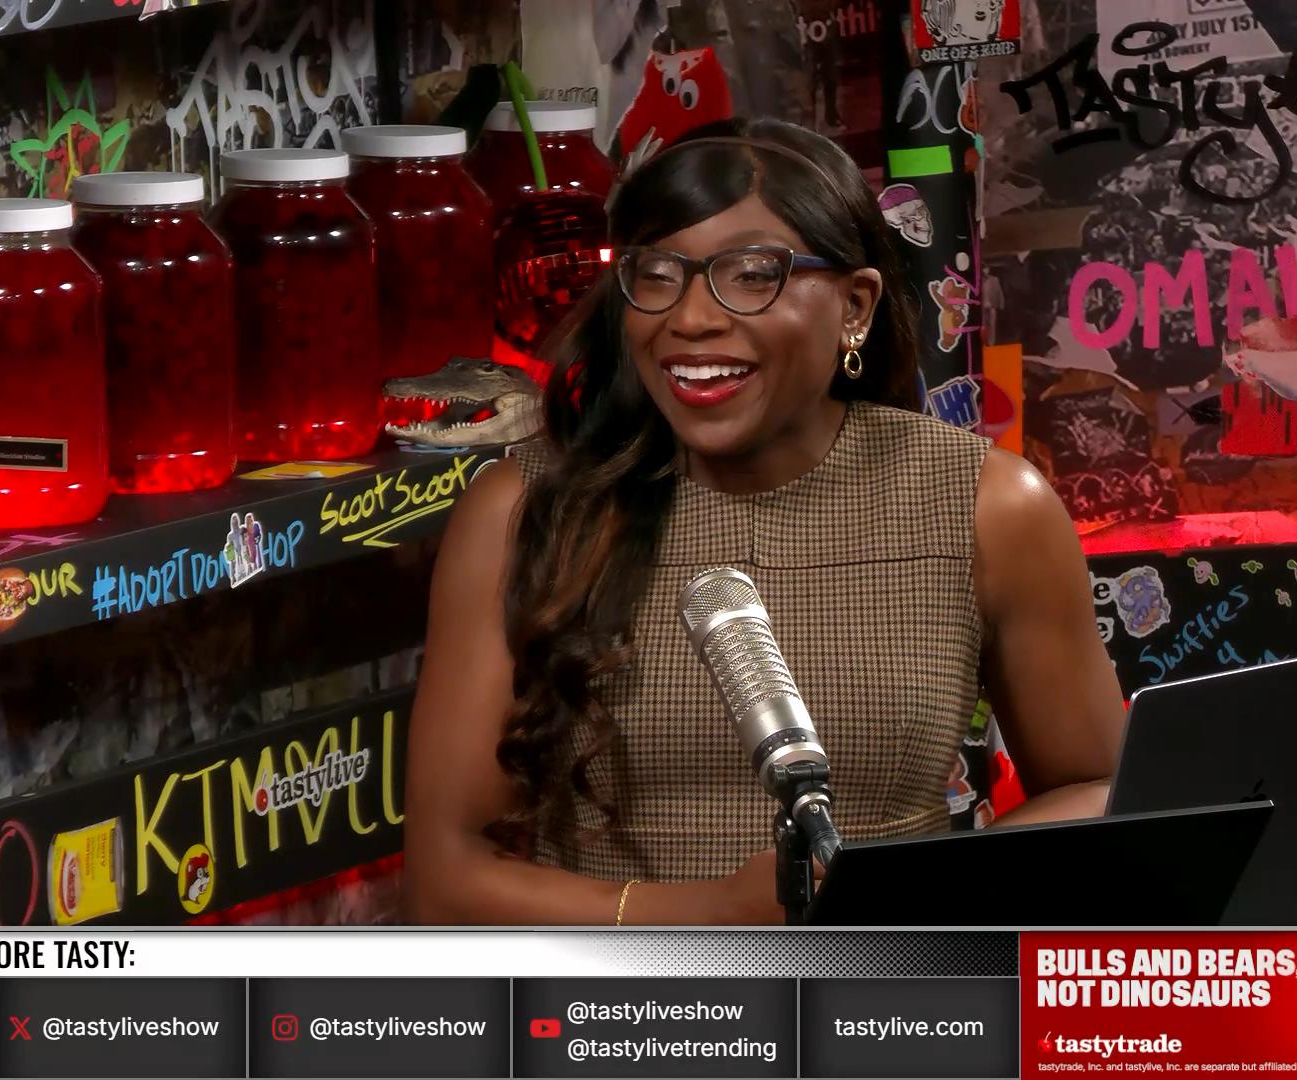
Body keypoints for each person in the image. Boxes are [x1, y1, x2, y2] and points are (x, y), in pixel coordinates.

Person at [403, 118, 1122, 925]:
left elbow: (1101, 791)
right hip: (615, 1000)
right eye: (657, 275)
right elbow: (444, 880)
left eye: (750, 276)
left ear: (854, 307)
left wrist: (906, 898)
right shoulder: (524, 511)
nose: (690, 319)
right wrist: (709, 916)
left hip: (889, 991)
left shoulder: (985, 504)